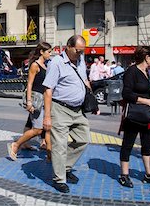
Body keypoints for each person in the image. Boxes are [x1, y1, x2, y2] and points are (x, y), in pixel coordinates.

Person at [42, 35, 97, 193]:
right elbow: (48, 90)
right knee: (59, 146)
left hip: (78, 110)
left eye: (82, 51)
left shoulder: (80, 60)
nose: (80, 54)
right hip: (60, 109)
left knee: (84, 139)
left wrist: (92, 99)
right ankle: (59, 179)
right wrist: (47, 116)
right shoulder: (56, 63)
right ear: (68, 46)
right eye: (78, 51)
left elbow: (84, 80)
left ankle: (64, 167)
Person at [118, 46, 150, 188]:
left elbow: (147, 90)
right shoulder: (131, 71)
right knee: (128, 144)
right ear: (146, 57)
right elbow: (126, 94)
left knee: (147, 145)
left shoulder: (146, 72)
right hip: (134, 114)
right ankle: (124, 175)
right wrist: (146, 101)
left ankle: (149, 174)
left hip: (147, 115)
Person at [8, 42, 52, 161]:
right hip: (36, 100)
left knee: (48, 129)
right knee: (38, 130)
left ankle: (50, 155)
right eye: (48, 52)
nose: (50, 54)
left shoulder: (47, 65)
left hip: (46, 100)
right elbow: (30, 84)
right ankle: (16, 145)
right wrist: (29, 102)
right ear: (42, 52)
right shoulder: (35, 65)